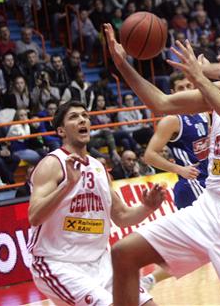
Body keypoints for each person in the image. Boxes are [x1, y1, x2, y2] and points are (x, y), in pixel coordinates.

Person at [104, 24, 220, 305]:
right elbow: (162, 103)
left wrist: (199, 77)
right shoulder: (218, 91)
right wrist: (123, 65)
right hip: (210, 206)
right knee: (124, 254)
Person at [27, 100, 165, 306]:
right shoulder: (52, 164)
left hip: (101, 261)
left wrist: (148, 207)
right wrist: (68, 185)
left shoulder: (98, 168)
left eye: (85, 116)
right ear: (61, 131)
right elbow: (34, 216)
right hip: (59, 263)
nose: (82, 119)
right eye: (74, 117)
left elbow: (123, 217)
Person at [140, 71, 210, 291]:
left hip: (211, 183)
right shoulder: (172, 120)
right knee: (211, 242)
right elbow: (150, 154)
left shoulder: (203, 114)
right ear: (172, 93)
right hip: (191, 186)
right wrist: (178, 168)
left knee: (201, 247)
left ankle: (148, 280)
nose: (187, 91)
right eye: (181, 88)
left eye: (190, 86)